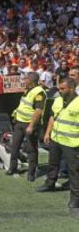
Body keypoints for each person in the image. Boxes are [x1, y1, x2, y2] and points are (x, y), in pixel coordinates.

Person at [36, 78, 79, 219]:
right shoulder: (58, 100)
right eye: (59, 88)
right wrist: (48, 132)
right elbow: (53, 118)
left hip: (72, 143)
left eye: (63, 89)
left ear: (72, 89)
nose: (59, 91)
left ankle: (75, 199)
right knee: (52, 164)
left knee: (74, 172)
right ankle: (50, 183)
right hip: (56, 138)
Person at [6, 72, 46, 181]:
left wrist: (31, 126)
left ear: (31, 80)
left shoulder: (39, 93)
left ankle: (31, 174)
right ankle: (12, 168)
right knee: (14, 146)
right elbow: (23, 105)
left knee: (31, 149)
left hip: (30, 124)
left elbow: (38, 111)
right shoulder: (27, 89)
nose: (24, 81)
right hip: (19, 122)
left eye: (26, 79)